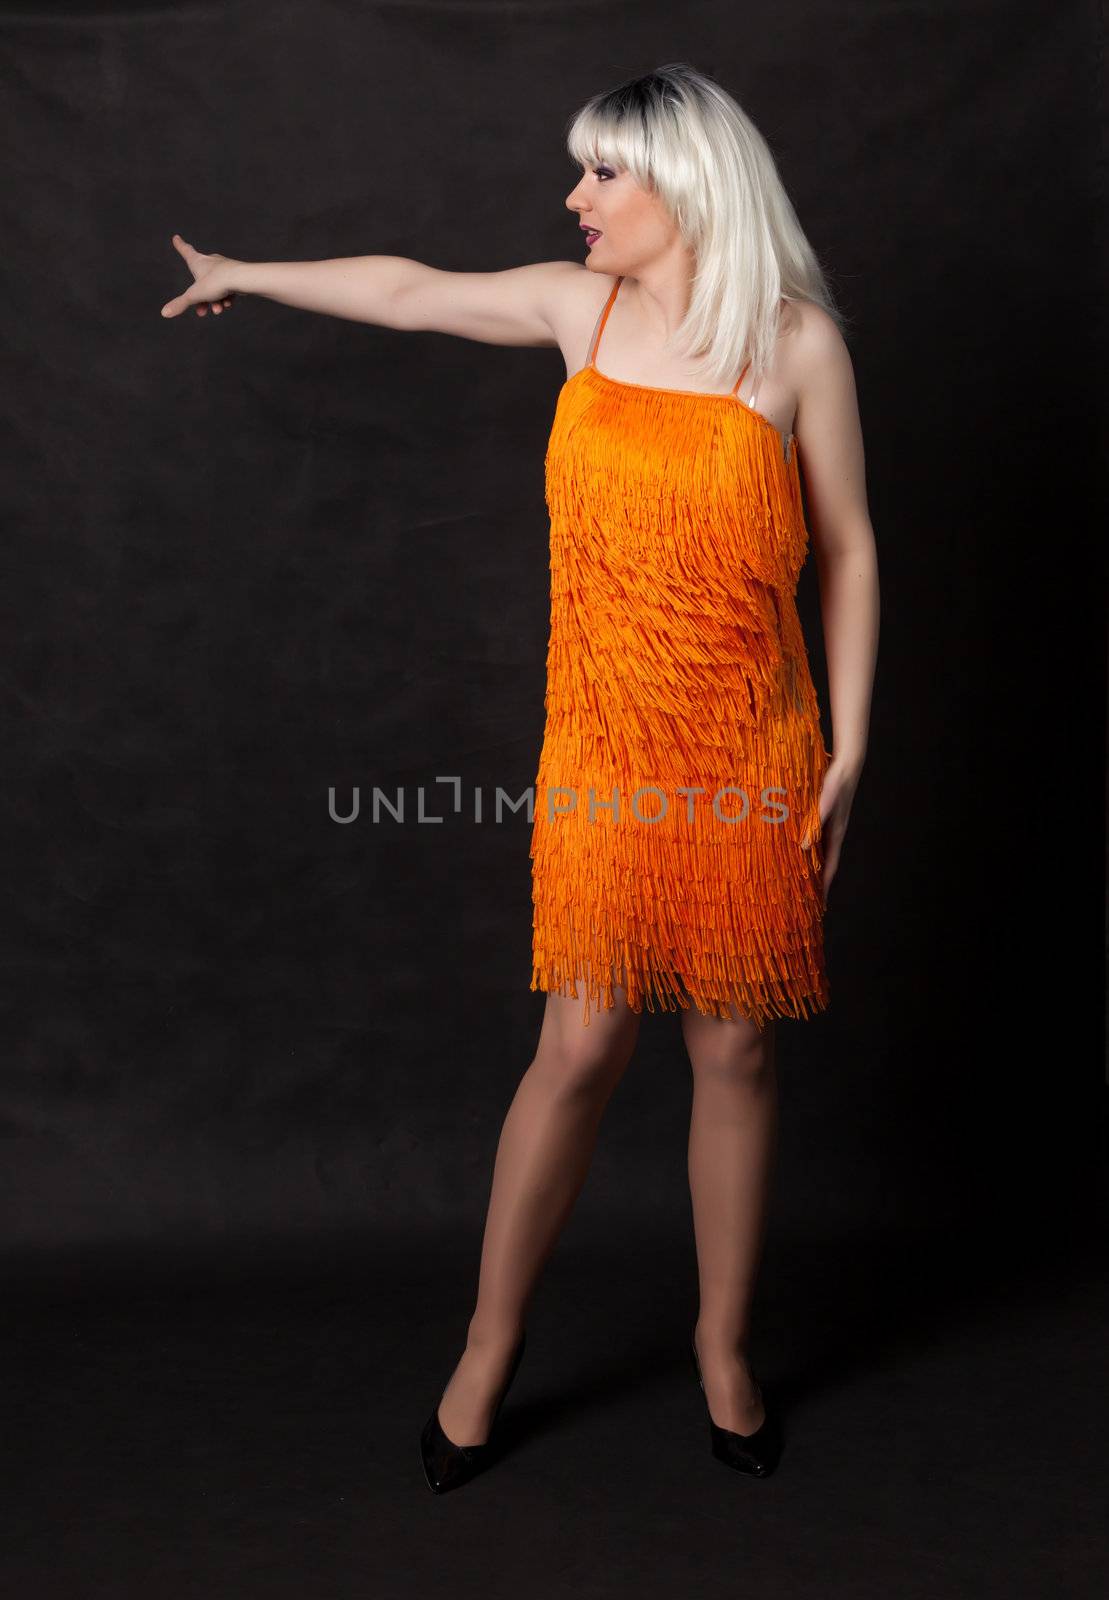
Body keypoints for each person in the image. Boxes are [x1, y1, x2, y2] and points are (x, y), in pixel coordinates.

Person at [160, 62, 879, 1492]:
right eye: (581, 173)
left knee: (734, 1049)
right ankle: (486, 1352)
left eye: (602, 172)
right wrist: (252, 269)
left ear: (686, 183)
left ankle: (722, 1352)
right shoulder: (578, 308)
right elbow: (414, 288)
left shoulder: (796, 348)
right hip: (603, 748)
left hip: (750, 747)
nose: (575, 198)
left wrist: (852, 745)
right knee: (577, 1048)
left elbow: (849, 549)